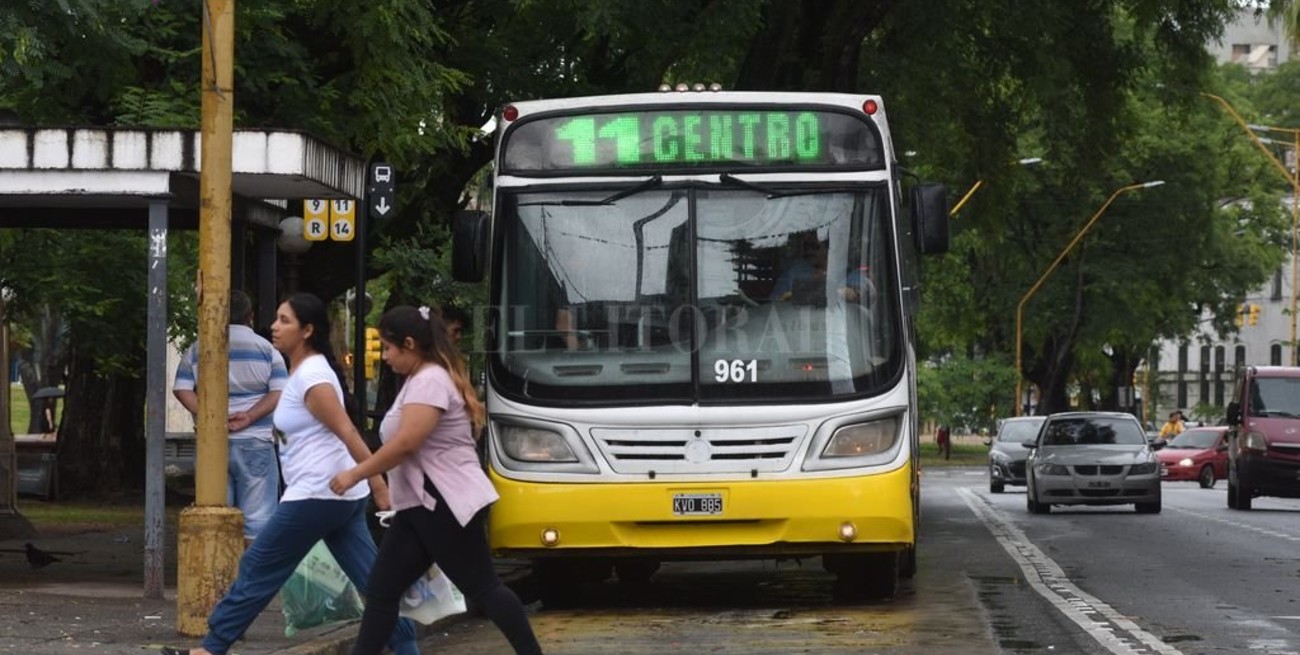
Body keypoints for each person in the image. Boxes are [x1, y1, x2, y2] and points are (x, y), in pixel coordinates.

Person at [161, 293, 418, 655]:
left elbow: (348, 432)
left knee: (258, 566)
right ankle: (405, 643)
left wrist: (378, 484)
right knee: (373, 581)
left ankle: (211, 648)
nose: (274, 327)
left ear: (307, 330)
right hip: (339, 496)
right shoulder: (304, 371)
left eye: (285, 321)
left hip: (317, 493)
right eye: (276, 318)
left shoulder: (312, 377)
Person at [329, 305, 543, 655]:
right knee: (383, 590)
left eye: (388, 347)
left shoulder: (430, 380)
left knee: (483, 588)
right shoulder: (421, 378)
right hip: (421, 503)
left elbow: (406, 443)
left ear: (410, 344)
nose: (385, 356)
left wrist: (356, 473)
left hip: (443, 503)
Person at [172, 290, 288, 541]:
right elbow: (280, 392)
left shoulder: (198, 348)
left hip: (211, 443)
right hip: (256, 441)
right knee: (257, 522)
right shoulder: (268, 350)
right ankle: (249, 566)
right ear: (250, 316)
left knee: (215, 518)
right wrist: (250, 416)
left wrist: (211, 417)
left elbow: (181, 389)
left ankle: (217, 565)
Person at [769, 233, 873, 305]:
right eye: (806, 246)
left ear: (831, 249)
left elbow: (864, 294)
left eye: (814, 246)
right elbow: (774, 303)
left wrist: (834, 291)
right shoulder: (795, 272)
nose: (809, 251)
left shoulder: (851, 274)